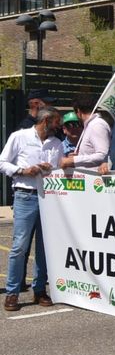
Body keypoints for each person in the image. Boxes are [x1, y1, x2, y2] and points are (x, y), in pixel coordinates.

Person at [0, 107, 63, 311]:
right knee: (19, 246)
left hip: (49, 198)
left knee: (45, 248)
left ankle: (39, 290)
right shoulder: (19, 137)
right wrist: (23, 170)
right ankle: (12, 292)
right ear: (46, 121)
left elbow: (60, 168)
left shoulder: (56, 143)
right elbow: (2, 162)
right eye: (56, 122)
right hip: (25, 195)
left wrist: (49, 168)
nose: (59, 126)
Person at [60, 96, 114, 170]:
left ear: (78, 111)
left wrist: (73, 160)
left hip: (96, 179)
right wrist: (77, 157)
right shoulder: (90, 125)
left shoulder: (97, 125)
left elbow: (103, 155)